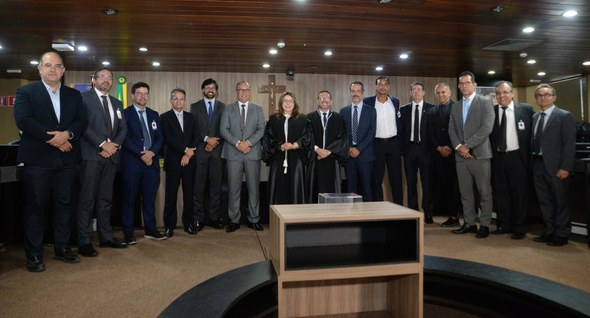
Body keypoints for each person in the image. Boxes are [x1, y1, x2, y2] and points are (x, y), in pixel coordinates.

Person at [13, 51, 88, 272]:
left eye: (57, 66)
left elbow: (81, 121)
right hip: (38, 161)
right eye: (48, 65)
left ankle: (62, 249)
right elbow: (24, 121)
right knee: (35, 207)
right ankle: (34, 255)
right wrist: (55, 139)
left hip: (66, 161)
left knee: (63, 206)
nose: (53, 69)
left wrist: (68, 135)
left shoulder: (73, 96)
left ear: (63, 70)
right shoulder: (26, 91)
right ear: (40, 69)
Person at [77, 67, 128, 257]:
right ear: (94, 80)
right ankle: (84, 241)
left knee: (105, 200)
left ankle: (105, 237)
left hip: (111, 157)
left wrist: (113, 146)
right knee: (87, 200)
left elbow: (123, 129)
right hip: (91, 156)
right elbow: (83, 126)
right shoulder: (84, 99)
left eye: (109, 78)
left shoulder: (117, 102)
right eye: (102, 77)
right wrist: (102, 144)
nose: (106, 80)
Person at [449, 71, 494, 238]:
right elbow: (451, 129)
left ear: (474, 84)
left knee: (484, 192)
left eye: (467, 82)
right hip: (461, 157)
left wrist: (467, 145)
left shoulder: (485, 102)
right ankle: (469, 223)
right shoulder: (455, 106)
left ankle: (484, 225)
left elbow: (487, 127)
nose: (463, 85)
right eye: (461, 83)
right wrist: (459, 147)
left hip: (480, 155)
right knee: (465, 192)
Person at [531, 84, 576, 246]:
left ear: (554, 97)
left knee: (560, 201)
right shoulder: (535, 117)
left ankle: (562, 233)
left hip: (557, 167)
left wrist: (565, 167)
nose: (542, 98)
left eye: (546, 94)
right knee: (544, 201)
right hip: (537, 165)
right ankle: (549, 230)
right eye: (539, 95)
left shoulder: (564, 116)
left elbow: (569, 144)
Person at [120, 82, 165, 243]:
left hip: (151, 164)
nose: (142, 96)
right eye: (139, 93)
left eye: (145, 93)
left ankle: (151, 230)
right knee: (129, 199)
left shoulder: (154, 114)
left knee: (149, 199)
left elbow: (160, 137)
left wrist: (151, 153)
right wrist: (141, 154)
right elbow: (124, 138)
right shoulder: (125, 114)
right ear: (132, 95)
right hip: (132, 163)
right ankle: (128, 233)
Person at [489, 81, 534, 240]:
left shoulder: (527, 110)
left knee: (520, 194)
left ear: (512, 93)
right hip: (499, 158)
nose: (502, 96)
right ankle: (505, 224)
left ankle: (520, 227)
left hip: (518, 158)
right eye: (498, 93)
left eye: (505, 92)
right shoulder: (491, 112)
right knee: (502, 193)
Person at [220, 81, 266, 232]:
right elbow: (223, 130)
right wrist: (238, 143)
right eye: (241, 90)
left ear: (250, 92)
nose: (244, 93)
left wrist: (248, 143)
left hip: (252, 153)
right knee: (234, 188)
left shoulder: (258, 109)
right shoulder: (228, 109)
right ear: (236, 91)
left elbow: (261, 130)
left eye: (246, 90)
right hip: (233, 153)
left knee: (254, 188)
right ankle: (234, 220)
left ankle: (254, 219)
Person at [160, 88, 198, 237]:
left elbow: (196, 137)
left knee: (189, 195)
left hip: (190, 161)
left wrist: (188, 155)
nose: (178, 101)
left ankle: (188, 223)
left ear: (185, 101)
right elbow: (168, 138)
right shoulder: (164, 117)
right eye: (175, 98)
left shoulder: (192, 117)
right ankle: (169, 226)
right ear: (171, 101)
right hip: (173, 161)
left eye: (181, 98)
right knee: (171, 195)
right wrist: (185, 151)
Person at [263, 92, 312, 204]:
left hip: (296, 160)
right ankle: (277, 219)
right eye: (285, 101)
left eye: (290, 101)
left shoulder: (303, 119)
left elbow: (308, 137)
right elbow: (268, 138)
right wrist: (281, 145)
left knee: (295, 188)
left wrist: (294, 145)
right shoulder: (274, 119)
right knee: (278, 188)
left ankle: (295, 219)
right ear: (281, 103)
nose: (288, 103)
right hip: (278, 159)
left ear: (294, 103)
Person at [190, 78, 226, 230]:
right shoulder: (195, 106)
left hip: (217, 153)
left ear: (216, 90)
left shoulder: (223, 107)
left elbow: (225, 128)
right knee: (198, 187)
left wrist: (214, 143)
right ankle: (198, 218)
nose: (210, 89)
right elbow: (193, 129)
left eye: (213, 87)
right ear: (203, 90)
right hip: (200, 153)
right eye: (207, 87)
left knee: (216, 187)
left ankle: (214, 217)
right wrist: (206, 140)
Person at [363, 77, 403, 204]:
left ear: (389, 87)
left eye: (385, 84)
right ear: (376, 87)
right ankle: (378, 211)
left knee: (396, 179)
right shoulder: (368, 102)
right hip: (376, 144)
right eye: (380, 84)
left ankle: (400, 210)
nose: (383, 86)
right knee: (376, 180)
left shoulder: (395, 101)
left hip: (393, 144)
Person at [401, 82, 435, 223]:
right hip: (409, 150)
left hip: (425, 150)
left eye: (419, 90)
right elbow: (401, 131)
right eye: (413, 90)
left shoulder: (431, 109)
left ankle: (427, 212)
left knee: (427, 183)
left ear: (423, 92)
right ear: (410, 93)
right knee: (411, 182)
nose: (416, 92)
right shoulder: (404, 110)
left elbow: (433, 132)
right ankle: (413, 211)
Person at [428, 83, 462, 227]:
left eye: (443, 92)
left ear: (449, 93)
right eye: (438, 93)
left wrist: (451, 147)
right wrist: (439, 148)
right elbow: (429, 133)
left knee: (459, 187)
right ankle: (453, 216)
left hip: (457, 153)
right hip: (439, 154)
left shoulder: (458, 108)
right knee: (446, 187)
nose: (441, 95)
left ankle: (464, 216)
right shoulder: (431, 111)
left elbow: (461, 131)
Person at [306, 90, 348, 202]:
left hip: (332, 160)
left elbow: (342, 138)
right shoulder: (309, 118)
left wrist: (328, 151)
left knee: (332, 192)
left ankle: (332, 217)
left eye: (327, 98)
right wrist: (317, 149)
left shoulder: (339, 118)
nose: (324, 100)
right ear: (317, 101)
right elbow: (306, 137)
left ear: (331, 101)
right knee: (314, 190)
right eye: (321, 98)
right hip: (315, 160)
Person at [341, 81, 376, 202]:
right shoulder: (343, 111)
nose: (355, 93)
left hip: (365, 155)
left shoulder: (371, 111)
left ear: (362, 93)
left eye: (358, 91)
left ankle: (367, 218)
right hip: (349, 156)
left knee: (367, 188)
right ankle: (352, 217)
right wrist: (350, 148)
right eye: (353, 91)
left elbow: (371, 132)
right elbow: (342, 133)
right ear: (350, 93)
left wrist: (359, 149)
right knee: (351, 189)